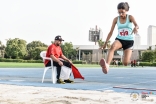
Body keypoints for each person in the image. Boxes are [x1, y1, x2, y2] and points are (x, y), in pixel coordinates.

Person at [99, 2, 139, 74]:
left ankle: (130, 60)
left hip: (129, 42)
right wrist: (105, 43)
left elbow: (136, 25)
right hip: (120, 39)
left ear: (126, 11)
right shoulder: (116, 19)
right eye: (119, 12)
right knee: (113, 47)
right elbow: (110, 32)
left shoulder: (130, 17)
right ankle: (107, 66)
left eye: (122, 12)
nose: (121, 14)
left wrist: (136, 28)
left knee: (125, 63)